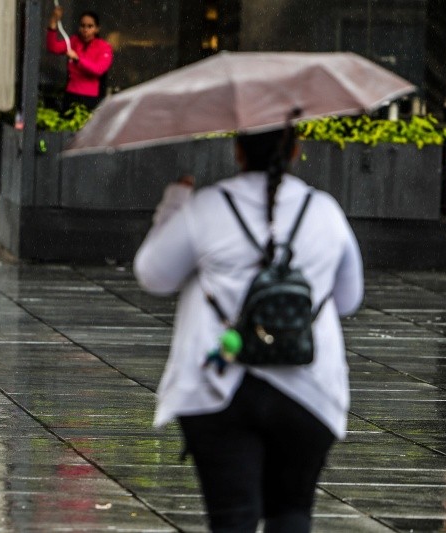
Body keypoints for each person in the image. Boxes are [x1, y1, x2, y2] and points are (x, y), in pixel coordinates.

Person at [133, 128, 363, 532]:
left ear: (238, 151)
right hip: (308, 387)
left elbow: (154, 275)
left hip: (219, 386)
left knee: (232, 517)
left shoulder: (207, 207)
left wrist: (174, 204)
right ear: (295, 150)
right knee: (292, 512)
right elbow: (348, 300)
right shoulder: (324, 210)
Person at [46, 7, 113, 112]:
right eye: (83, 26)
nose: (85, 30)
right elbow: (53, 47)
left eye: (90, 26)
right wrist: (53, 23)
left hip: (91, 97)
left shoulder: (104, 47)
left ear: (97, 29)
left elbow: (98, 69)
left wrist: (77, 59)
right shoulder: (74, 41)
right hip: (71, 94)